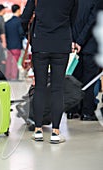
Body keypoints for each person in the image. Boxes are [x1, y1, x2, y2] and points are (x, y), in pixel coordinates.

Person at [21, 0, 78, 144]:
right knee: (57, 89)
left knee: (40, 87)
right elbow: (74, 18)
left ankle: (38, 130)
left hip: (40, 43)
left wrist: (30, 34)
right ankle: (55, 132)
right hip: (61, 43)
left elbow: (25, 18)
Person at [67, 0, 100, 121]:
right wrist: (80, 41)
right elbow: (92, 22)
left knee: (74, 80)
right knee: (89, 81)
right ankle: (87, 112)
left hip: (73, 46)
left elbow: (68, 20)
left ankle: (72, 111)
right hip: (90, 47)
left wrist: (73, 41)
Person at [5, 4, 25, 80]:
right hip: (17, 45)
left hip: (9, 46)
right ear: (18, 10)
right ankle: (13, 77)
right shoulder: (19, 22)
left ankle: (8, 76)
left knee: (9, 61)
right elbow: (21, 33)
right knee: (15, 62)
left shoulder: (7, 23)